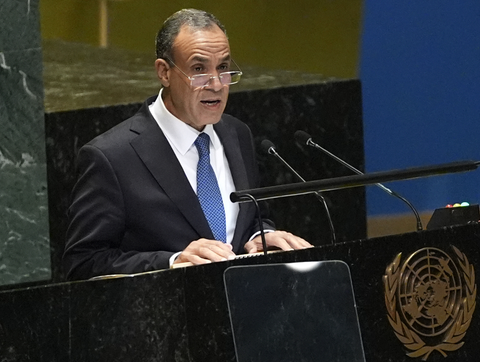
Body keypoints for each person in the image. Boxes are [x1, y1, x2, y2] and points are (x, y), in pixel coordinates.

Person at [63, 9, 312, 280]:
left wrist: (260, 235)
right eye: (198, 69)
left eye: (224, 68)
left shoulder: (236, 133)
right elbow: (83, 263)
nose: (216, 84)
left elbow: (251, 219)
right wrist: (172, 261)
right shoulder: (112, 157)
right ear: (164, 72)